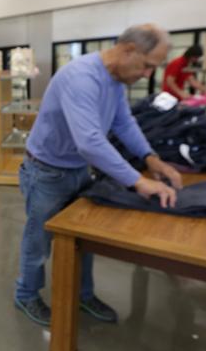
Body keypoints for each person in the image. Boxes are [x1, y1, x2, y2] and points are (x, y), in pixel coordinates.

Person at [14, 24, 183, 326]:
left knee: (83, 239)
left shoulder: (115, 80)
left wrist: (151, 158)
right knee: (38, 239)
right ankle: (26, 294)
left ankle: (83, 294)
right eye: (147, 66)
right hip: (46, 173)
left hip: (77, 169)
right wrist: (138, 181)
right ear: (129, 50)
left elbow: (124, 123)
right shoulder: (82, 78)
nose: (147, 75)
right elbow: (90, 142)